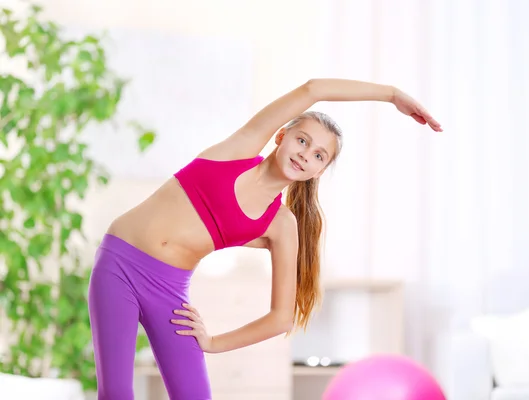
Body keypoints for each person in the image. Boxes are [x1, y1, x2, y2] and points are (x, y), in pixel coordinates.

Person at [87, 78, 442, 400]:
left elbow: (281, 318)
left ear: (320, 171)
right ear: (280, 136)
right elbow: (313, 89)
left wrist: (214, 342)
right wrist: (392, 95)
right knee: (116, 393)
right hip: (119, 262)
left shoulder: (281, 225)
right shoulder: (237, 152)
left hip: (168, 291)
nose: (306, 153)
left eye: (319, 155)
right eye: (302, 140)